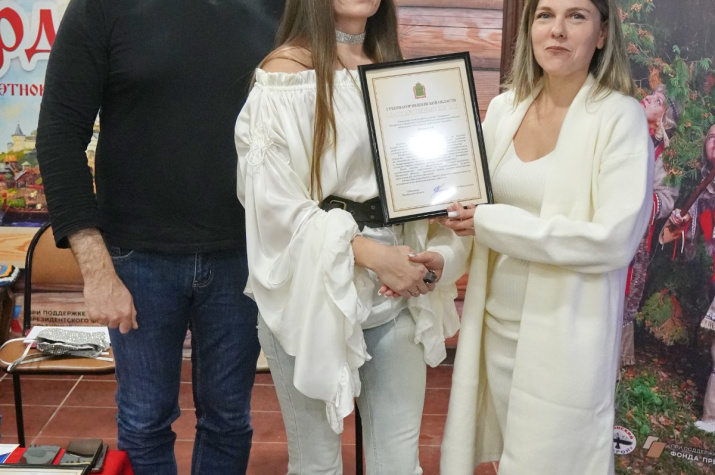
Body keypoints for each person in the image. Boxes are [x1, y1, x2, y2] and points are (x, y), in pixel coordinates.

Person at [35, 1, 284, 474]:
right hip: (136, 258)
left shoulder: (281, 7)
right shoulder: (100, 7)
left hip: (245, 254)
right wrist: (96, 269)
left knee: (230, 419)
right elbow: (58, 135)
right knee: (145, 421)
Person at [234, 0, 470, 473]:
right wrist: (373, 256)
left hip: (395, 290)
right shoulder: (284, 77)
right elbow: (272, 204)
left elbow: (433, 188)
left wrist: (437, 250)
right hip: (311, 291)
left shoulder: (396, 76)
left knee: (398, 463)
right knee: (317, 465)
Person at [438, 0, 652, 473]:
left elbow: (611, 240)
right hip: (494, 330)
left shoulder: (621, 118)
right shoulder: (504, 109)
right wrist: (441, 261)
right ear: (529, 30)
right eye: (544, 15)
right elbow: (471, 216)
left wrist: (492, 222)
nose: (557, 30)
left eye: (576, 16)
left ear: (601, 34)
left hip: (564, 344)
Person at [661, 123, 715, 432]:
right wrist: (678, 221)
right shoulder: (699, 185)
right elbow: (681, 239)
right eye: (712, 136)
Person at [621, 84, 679, 366]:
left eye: (658, 100)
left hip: (633, 232)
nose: (648, 98)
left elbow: (666, 198)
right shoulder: (622, 131)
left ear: (664, 119)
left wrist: (638, 200)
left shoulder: (663, 155)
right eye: (650, 94)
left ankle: (615, 363)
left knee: (623, 289)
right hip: (603, 220)